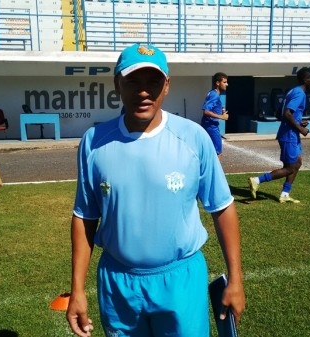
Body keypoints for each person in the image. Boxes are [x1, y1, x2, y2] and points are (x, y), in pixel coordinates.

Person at [66, 44, 245, 337]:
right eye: (133, 81)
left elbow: (222, 208)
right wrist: (77, 289)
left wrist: (235, 278)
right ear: (117, 84)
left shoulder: (193, 138)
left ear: (167, 86)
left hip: (180, 281)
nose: (143, 91)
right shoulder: (94, 142)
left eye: (153, 81)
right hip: (118, 283)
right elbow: (85, 216)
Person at [247, 67, 310, 203]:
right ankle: (257, 180)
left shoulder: (292, 91)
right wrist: (300, 128)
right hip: (289, 135)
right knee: (290, 168)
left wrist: (299, 121)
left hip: (290, 133)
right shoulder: (300, 93)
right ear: (305, 80)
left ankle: (285, 194)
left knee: (297, 163)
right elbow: (286, 113)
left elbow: (279, 113)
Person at [201, 72, 229, 160]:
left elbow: (211, 107)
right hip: (212, 127)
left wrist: (221, 109)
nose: (227, 84)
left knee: (209, 152)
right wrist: (222, 117)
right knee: (218, 153)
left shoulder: (212, 93)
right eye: (224, 82)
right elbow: (205, 111)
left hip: (207, 125)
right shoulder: (215, 95)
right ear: (217, 83)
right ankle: (216, 173)